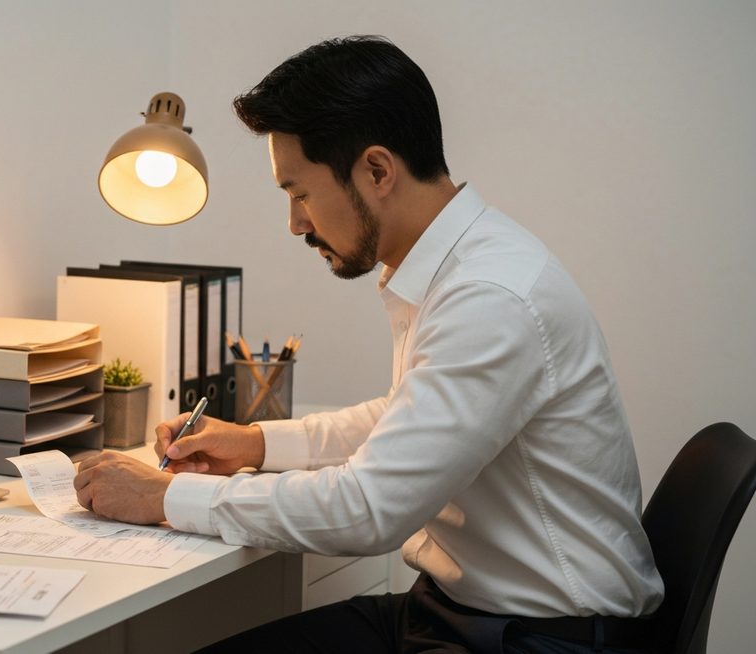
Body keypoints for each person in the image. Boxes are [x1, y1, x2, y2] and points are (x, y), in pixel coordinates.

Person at [73, 35, 663, 653]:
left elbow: (369, 509)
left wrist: (167, 496)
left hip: (538, 640)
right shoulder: (457, 268)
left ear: (377, 171)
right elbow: (407, 419)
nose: (295, 223)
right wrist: (255, 442)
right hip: (457, 614)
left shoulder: (491, 296)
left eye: (300, 193)